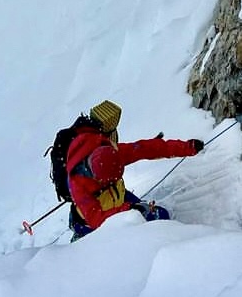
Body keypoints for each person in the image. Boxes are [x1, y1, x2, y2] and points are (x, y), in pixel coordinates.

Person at [66, 100, 204, 240]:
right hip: (93, 224)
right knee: (143, 235)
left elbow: (145, 149)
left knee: (161, 217)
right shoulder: (77, 185)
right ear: (99, 178)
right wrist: (130, 210)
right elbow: (96, 219)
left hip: (117, 198)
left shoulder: (111, 153)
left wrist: (187, 147)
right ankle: (81, 238)